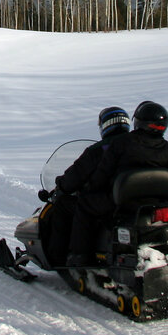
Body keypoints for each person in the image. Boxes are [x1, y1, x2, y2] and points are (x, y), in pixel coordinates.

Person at [65, 100, 168, 267]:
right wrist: (163, 198)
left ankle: (80, 257)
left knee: (85, 205)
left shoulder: (121, 144)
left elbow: (103, 174)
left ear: (138, 121)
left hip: (123, 204)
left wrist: (92, 190)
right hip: (157, 205)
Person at [38, 106, 130, 267]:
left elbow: (75, 176)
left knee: (64, 206)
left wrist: (61, 187)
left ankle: (67, 257)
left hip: (109, 202)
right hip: (143, 201)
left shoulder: (100, 150)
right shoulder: (139, 146)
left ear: (105, 126)